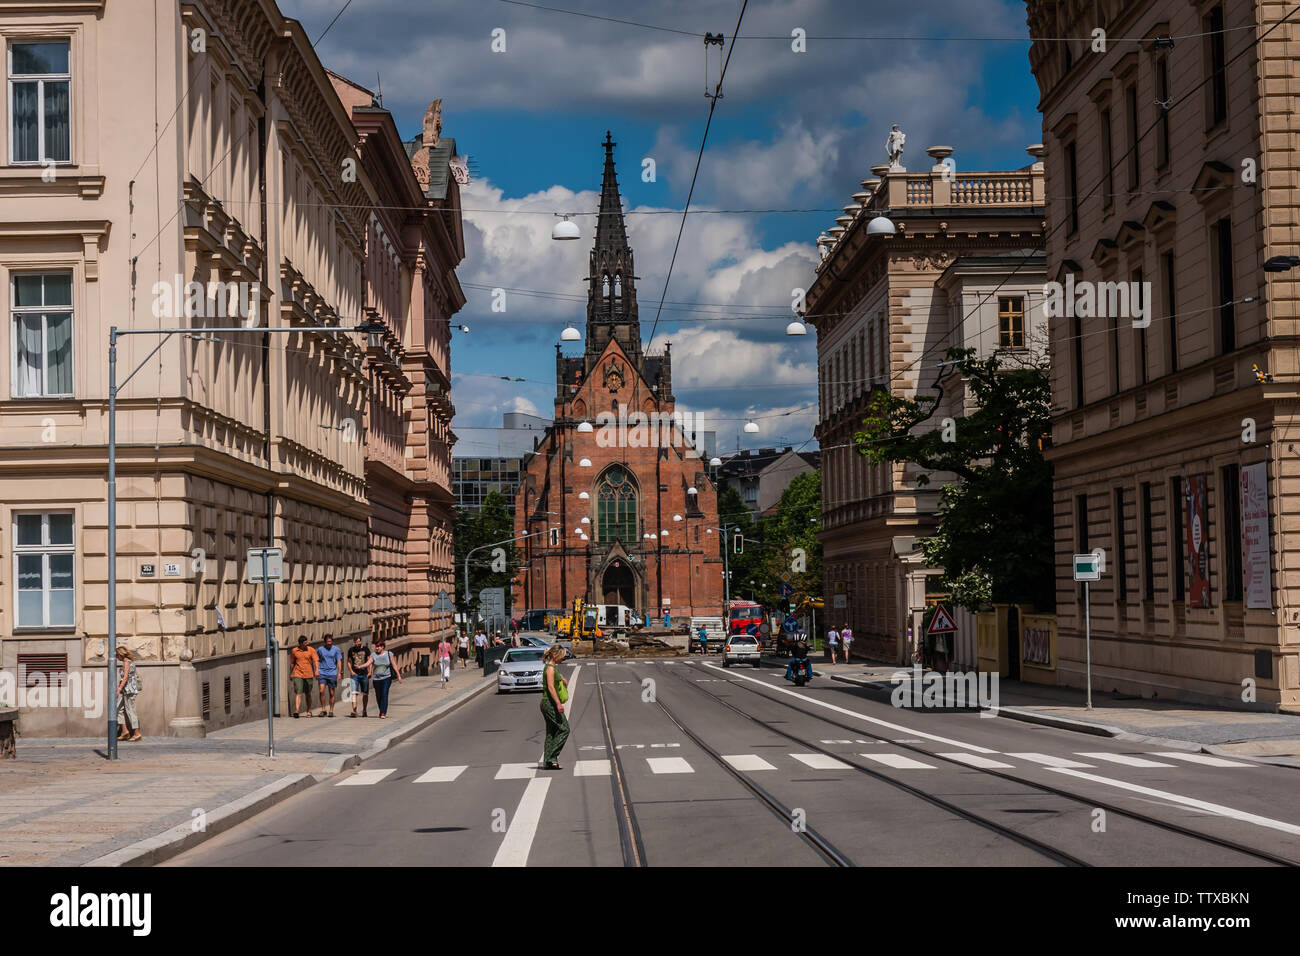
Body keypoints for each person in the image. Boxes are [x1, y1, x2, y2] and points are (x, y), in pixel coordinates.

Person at [539, 645, 570, 770]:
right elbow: (551, 687)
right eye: (561, 656)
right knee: (564, 729)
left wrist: (562, 678)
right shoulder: (550, 669)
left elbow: (554, 678)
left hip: (547, 703)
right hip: (550, 703)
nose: (562, 659)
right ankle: (552, 757)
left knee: (551, 732)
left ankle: (548, 761)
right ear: (555, 655)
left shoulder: (551, 668)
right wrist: (558, 703)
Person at [369, 638, 402, 718]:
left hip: (387, 678)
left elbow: (394, 665)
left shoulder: (389, 654)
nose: (377, 648)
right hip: (376, 679)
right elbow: (370, 664)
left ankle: (383, 712)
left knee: (384, 694)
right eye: (376, 647)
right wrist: (370, 672)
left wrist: (399, 675)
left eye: (378, 646)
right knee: (378, 696)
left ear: (383, 647)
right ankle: (381, 710)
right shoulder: (373, 655)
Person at [115, 646, 142, 741]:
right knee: (118, 709)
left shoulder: (127, 662)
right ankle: (125, 731)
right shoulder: (130, 662)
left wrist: (119, 688)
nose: (116, 657)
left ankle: (137, 733)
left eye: (117, 655)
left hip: (129, 691)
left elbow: (126, 677)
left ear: (120, 654)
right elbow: (135, 675)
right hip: (127, 691)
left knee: (131, 712)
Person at [289, 636, 318, 717]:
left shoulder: (311, 650)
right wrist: (290, 673)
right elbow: (292, 663)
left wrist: (317, 670)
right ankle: (297, 710)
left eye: (307, 642)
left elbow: (316, 661)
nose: (307, 644)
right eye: (305, 643)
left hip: (309, 674)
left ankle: (309, 710)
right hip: (298, 674)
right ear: (301, 644)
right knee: (298, 692)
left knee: (308, 693)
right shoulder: (294, 651)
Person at [316, 635, 343, 717]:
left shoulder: (336, 649)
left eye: (330, 642)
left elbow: (339, 661)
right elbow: (317, 660)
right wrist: (317, 670)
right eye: (328, 642)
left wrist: (339, 673)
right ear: (325, 642)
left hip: (332, 673)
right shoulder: (320, 649)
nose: (329, 643)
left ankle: (331, 710)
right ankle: (323, 709)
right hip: (322, 672)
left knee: (331, 693)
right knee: (321, 691)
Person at [346, 639, 372, 718]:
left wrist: (370, 671)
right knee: (354, 692)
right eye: (356, 642)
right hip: (355, 674)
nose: (357, 643)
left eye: (358, 642)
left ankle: (364, 710)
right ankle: (354, 710)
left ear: (361, 641)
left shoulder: (365, 649)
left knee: (365, 693)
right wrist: (351, 671)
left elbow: (370, 660)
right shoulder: (351, 650)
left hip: (364, 674)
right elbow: (348, 661)